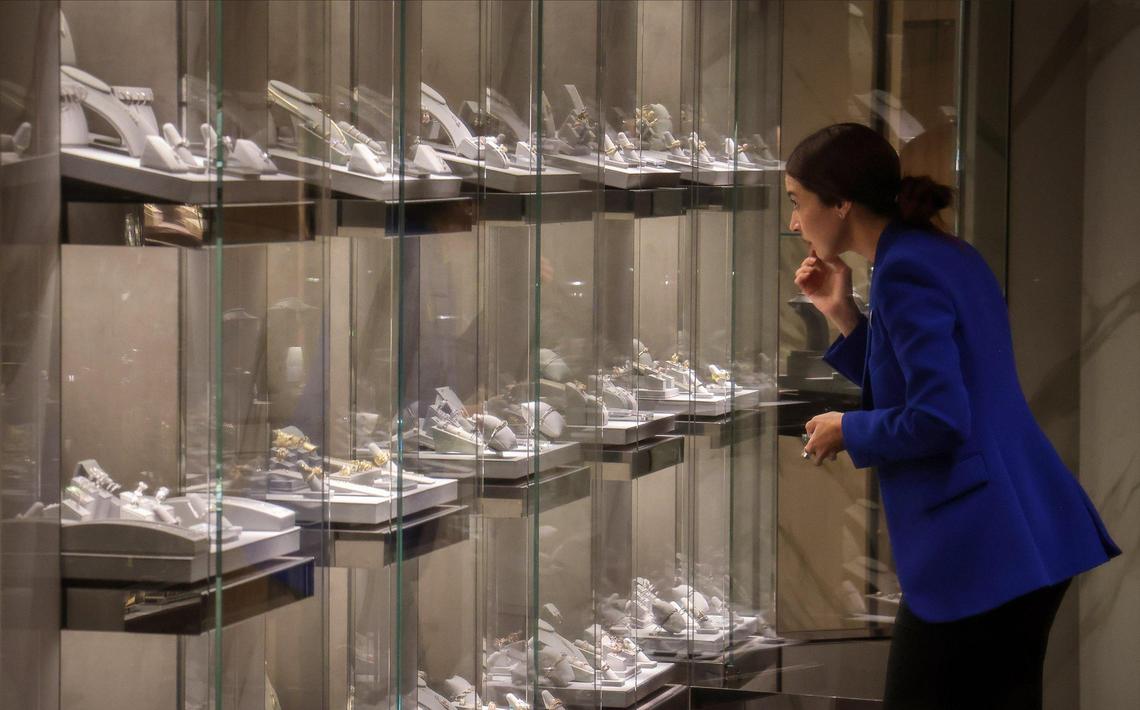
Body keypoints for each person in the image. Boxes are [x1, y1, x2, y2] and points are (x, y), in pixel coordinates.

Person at [789, 123, 1119, 709]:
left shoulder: (904, 270)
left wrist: (848, 427)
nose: (793, 223)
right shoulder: (937, 251)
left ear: (840, 201)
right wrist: (845, 319)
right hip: (1023, 525)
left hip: (980, 542)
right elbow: (937, 384)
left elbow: (939, 417)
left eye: (797, 202)